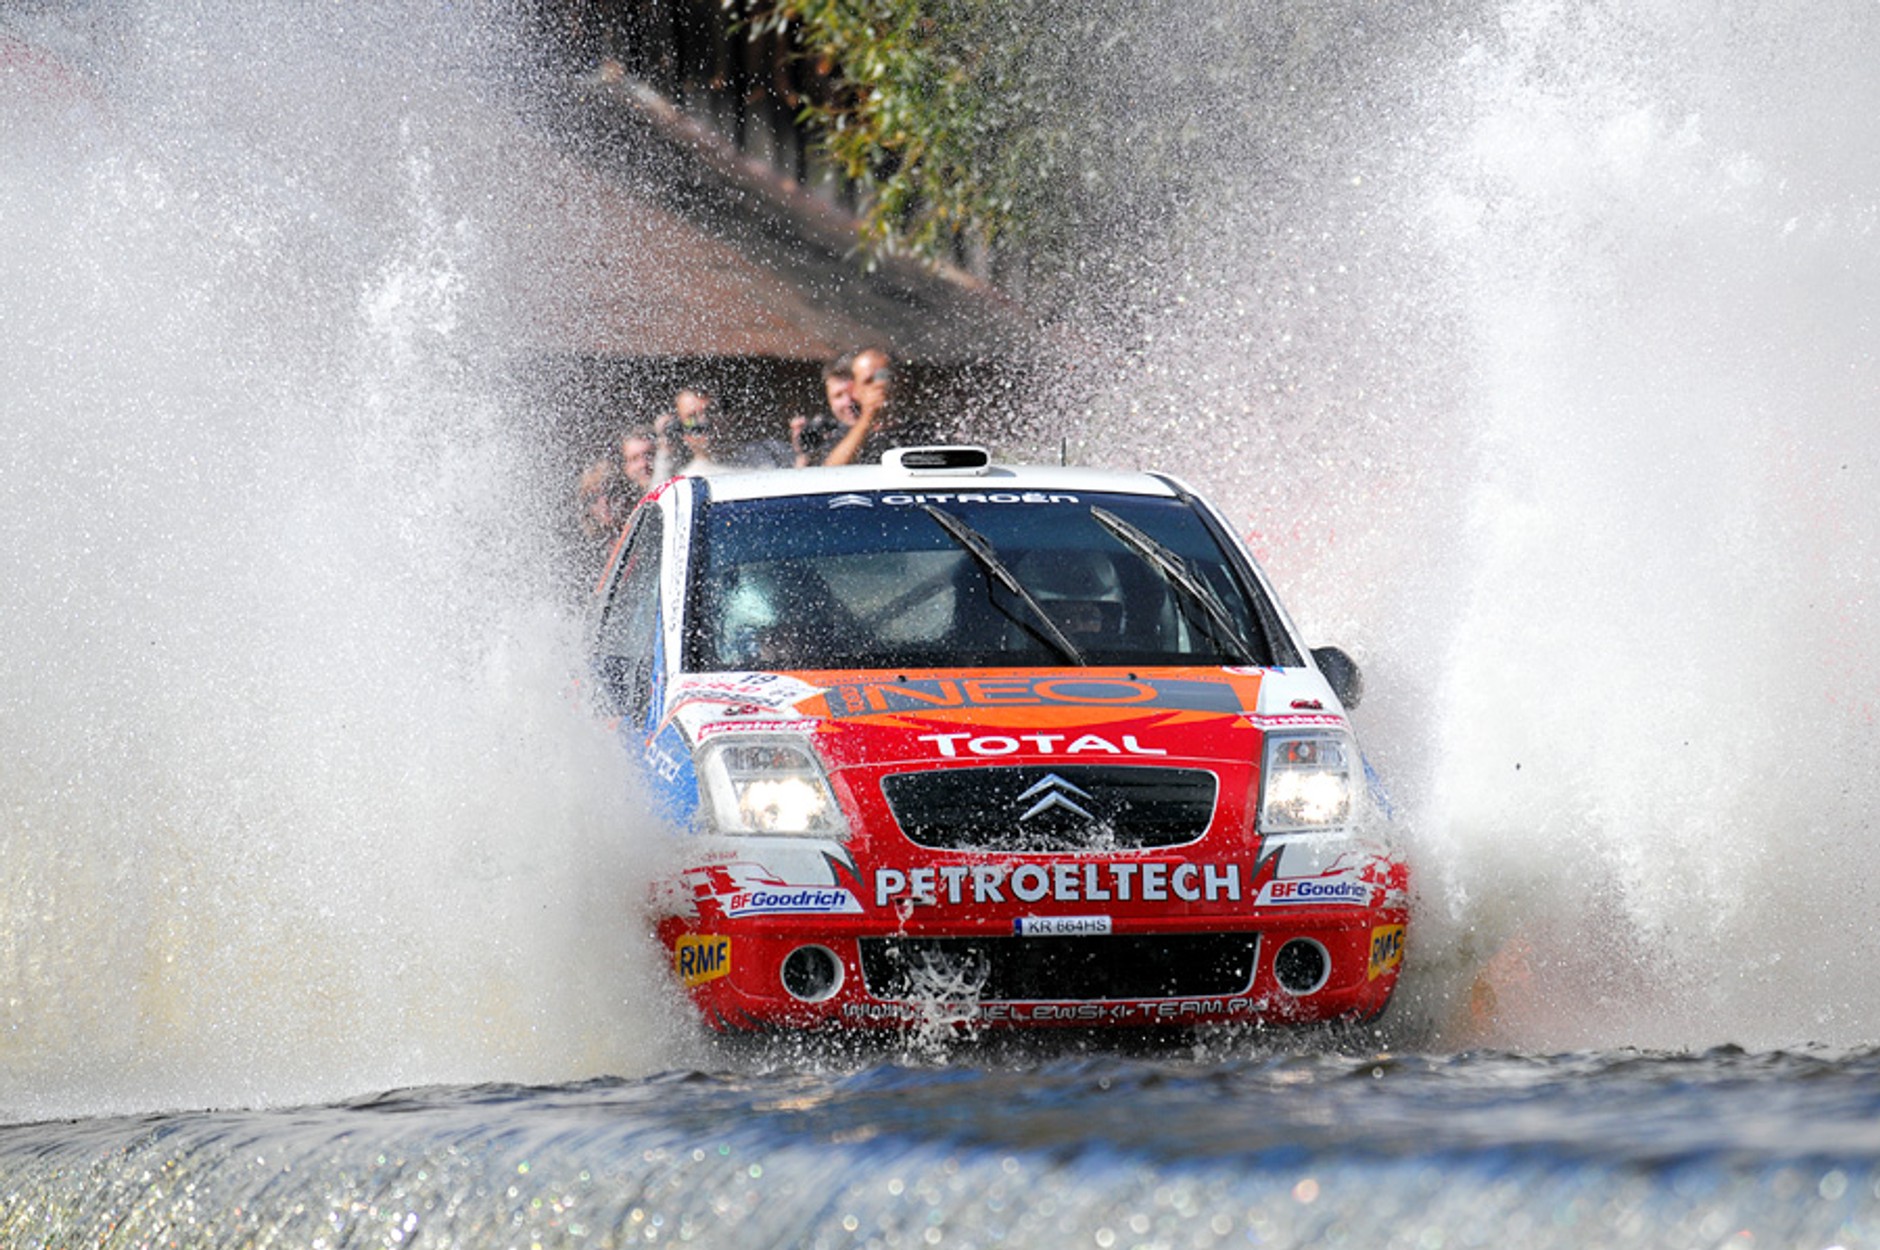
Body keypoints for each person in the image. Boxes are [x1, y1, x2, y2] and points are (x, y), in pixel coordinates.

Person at [822, 346, 904, 467]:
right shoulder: (840, 437)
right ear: (855, 390)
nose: (879, 385)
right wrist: (869, 416)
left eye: (885, 377)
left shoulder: (922, 430)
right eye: (868, 380)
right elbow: (829, 475)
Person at [790, 351, 857, 467]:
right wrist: (804, 454)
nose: (848, 402)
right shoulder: (831, 435)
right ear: (829, 401)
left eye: (852, 392)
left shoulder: (889, 430)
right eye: (838, 396)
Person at [653, 387, 727, 479]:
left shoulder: (749, 459)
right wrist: (664, 450)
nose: (704, 422)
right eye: (692, 418)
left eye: (709, 413)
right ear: (678, 427)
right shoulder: (686, 481)